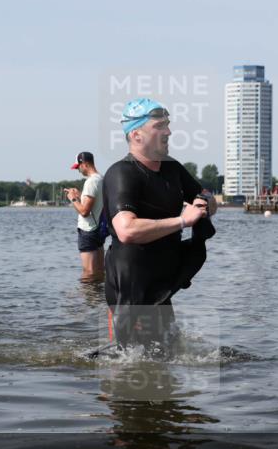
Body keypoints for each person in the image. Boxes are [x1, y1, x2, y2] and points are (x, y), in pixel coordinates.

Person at [102, 98, 217, 349]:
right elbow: (126, 230)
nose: (168, 131)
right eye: (160, 126)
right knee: (129, 364)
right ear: (136, 134)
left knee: (167, 357)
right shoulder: (121, 173)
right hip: (131, 285)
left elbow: (208, 197)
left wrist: (203, 201)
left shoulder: (172, 168)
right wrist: (182, 220)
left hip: (162, 281)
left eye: (167, 124)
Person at [63, 152, 107, 281]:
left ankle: (87, 300)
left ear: (85, 164)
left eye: (78, 167)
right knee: (99, 271)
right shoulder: (101, 178)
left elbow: (84, 212)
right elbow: (96, 203)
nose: (78, 170)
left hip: (88, 231)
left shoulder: (91, 182)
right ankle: (97, 300)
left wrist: (72, 199)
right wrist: (80, 195)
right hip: (98, 230)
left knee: (89, 273)